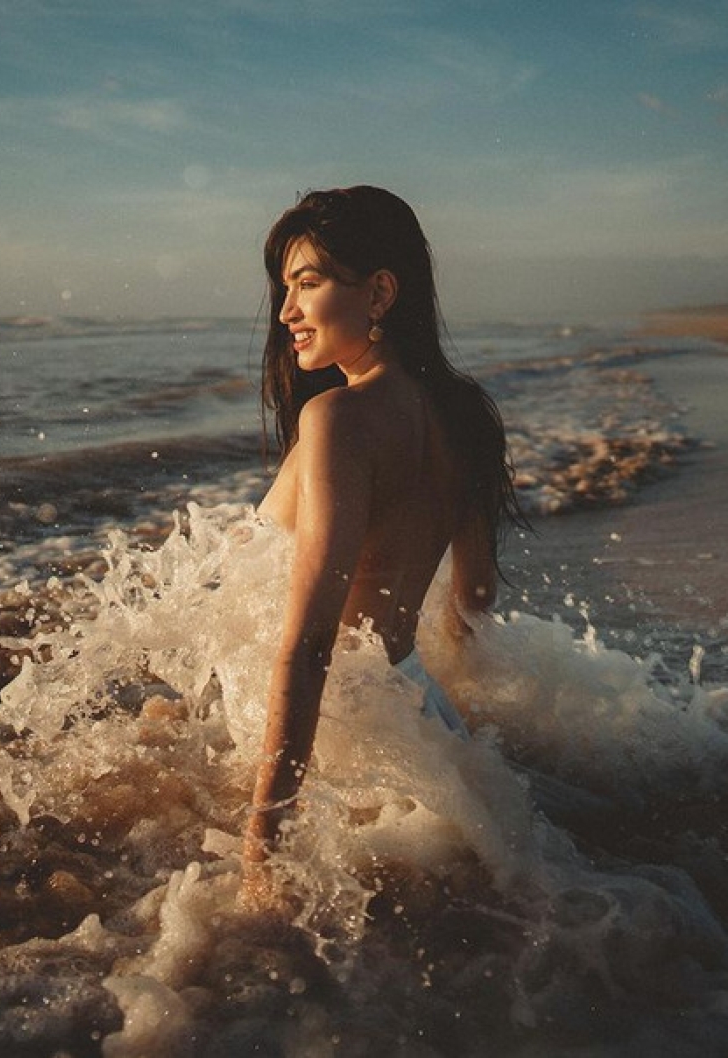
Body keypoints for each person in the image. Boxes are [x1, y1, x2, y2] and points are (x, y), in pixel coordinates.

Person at [240, 186, 525, 909]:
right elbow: (476, 597)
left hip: (340, 731)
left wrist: (258, 848)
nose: (285, 313)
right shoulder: (466, 415)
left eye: (306, 284)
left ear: (379, 293)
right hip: (417, 710)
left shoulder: (338, 418)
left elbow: (309, 647)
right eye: (284, 288)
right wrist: (455, 723)